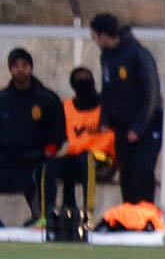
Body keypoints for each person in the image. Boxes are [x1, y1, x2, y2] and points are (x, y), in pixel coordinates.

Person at [90, 13, 162, 207]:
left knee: (143, 169)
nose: (94, 40)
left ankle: (146, 213)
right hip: (123, 126)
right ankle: (129, 215)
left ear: (104, 35)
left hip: (148, 125)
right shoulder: (106, 57)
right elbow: (107, 91)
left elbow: (151, 93)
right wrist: (105, 119)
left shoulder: (138, 54)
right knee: (126, 171)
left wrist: (138, 127)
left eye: (94, 35)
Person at [0, 47, 66, 225]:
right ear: (10, 69)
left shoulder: (47, 99)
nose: (20, 69)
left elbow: (59, 132)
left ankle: (44, 218)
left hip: (37, 158)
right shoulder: (3, 99)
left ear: (30, 68)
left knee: (44, 172)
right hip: (6, 160)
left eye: (24, 65)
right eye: (16, 66)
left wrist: (49, 150)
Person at [45, 67, 115, 218]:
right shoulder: (67, 107)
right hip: (77, 157)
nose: (83, 82)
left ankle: (88, 212)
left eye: (86, 78)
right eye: (79, 79)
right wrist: (50, 150)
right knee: (52, 165)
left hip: (104, 160)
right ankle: (50, 214)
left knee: (86, 159)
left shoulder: (106, 105)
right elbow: (58, 135)